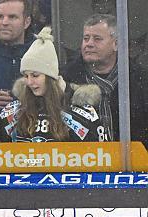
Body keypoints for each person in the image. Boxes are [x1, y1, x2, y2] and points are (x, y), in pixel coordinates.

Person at [0, 27, 107, 143]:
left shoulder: (82, 113)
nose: (30, 82)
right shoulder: (11, 113)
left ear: (50, 77)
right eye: (26, 76)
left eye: (36, 75)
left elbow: (100, 158)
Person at [61, 14, 148, 149]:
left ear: (116, 44)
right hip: (80, 162)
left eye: (97, 39)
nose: (89, 44)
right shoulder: (66, 79)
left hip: (133, 164)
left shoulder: (140, 80)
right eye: (86, 38)